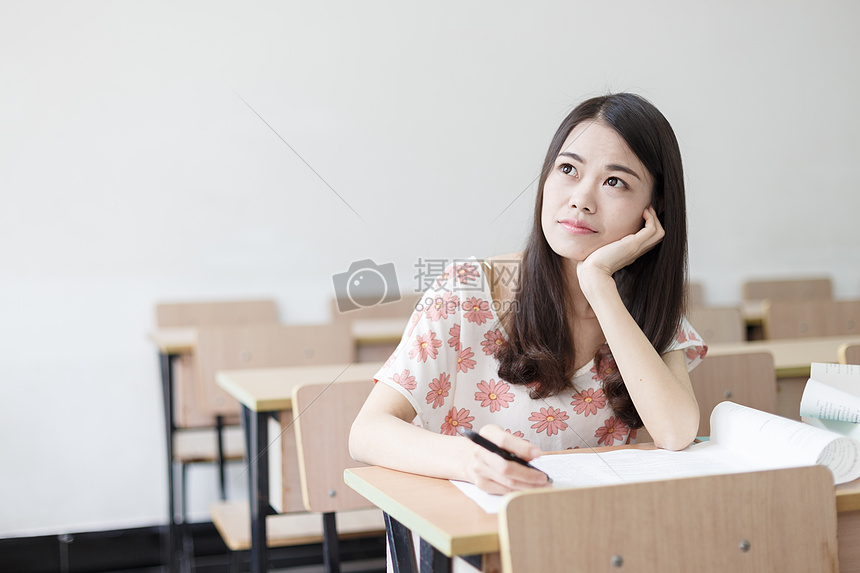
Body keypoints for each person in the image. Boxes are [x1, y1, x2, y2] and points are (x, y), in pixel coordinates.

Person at [349, 92, 707, 497]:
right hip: (470, 532)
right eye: (568, 169)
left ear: (653, 207)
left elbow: (676, 433)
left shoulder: (645, 308)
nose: (580, 199)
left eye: (614, 182)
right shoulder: (467, 290)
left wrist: (598, 284)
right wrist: (472, 460)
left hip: (589, 538)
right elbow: (367, 432)